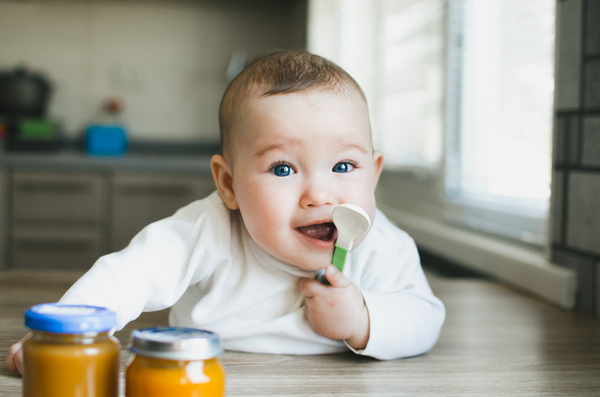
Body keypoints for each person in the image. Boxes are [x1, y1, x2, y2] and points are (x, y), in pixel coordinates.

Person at [7, 51, 445, 375]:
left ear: (374, 173)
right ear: (229, 185)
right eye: (283, 168)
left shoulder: (383, 245)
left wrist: (361, 319)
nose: (320, 194)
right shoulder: (209, 228)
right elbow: (129, 275)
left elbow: (424, 318)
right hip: (209, 373)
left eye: (344, 166)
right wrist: (62, 338)